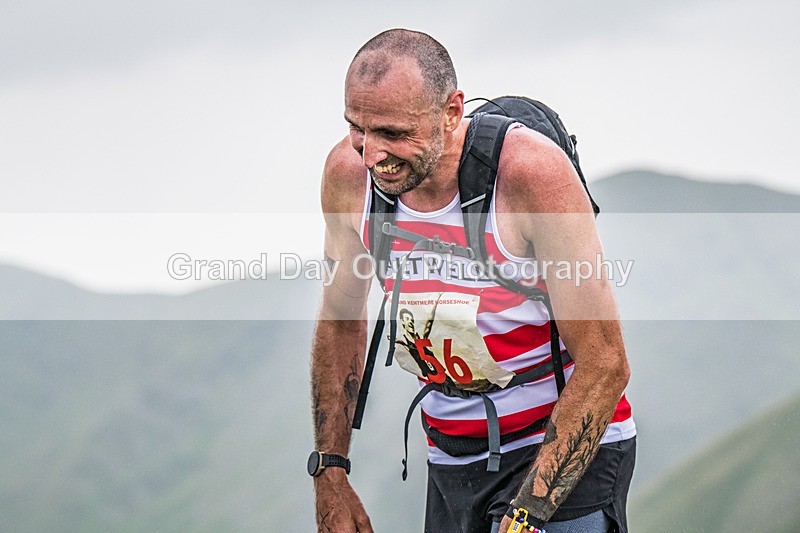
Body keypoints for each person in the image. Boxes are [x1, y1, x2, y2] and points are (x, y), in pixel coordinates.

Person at [309, 28, 636, 533]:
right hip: (453, 460)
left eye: (393, 133)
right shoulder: (348, 177)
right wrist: (329, 472)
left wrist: (527, 514)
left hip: (567, 451)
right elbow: (339, 319)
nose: (371, 154)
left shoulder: (530, 176)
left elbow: (606, 363)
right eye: (357, 128)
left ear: (451, 111)